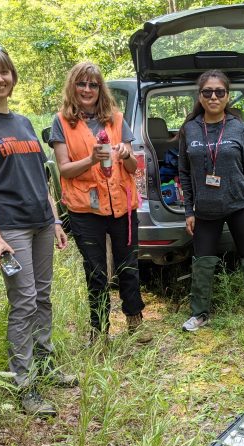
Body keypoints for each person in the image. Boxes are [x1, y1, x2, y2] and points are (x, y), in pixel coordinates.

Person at [0, 44, 73, 418]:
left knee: (42, 297)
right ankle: (25, 385)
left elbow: (42, 178)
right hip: (11, 227)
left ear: (12, 76)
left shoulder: (23, 122)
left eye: (5, 71)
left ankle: (46, 364)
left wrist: (55, 219)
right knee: (23, 303)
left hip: (41, 222)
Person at [49, 61, 150, 344]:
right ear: (73, 87)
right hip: (85, 209)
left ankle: (135, 321)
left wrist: (125, 154)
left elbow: (132, 168)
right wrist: (91, 159)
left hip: (121, 204)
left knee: (128, 265)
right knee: (96, 271)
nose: (87, 89)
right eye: (81, 84)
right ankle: (99, 330)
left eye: (93, 85)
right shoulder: (62, 122)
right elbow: (64, 169)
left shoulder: (116, 119)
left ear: (100, 89)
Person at [178, 70, 244, 332]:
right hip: (204, 210)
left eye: (220, 92)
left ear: (227, 96)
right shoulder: (190, 129)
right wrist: (188, 211)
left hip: (239, 205)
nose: (214, 96)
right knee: (202, 262)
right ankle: (200, 314)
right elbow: (184, 173)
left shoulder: (239, 128)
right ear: (201, 96)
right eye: (208, 92)